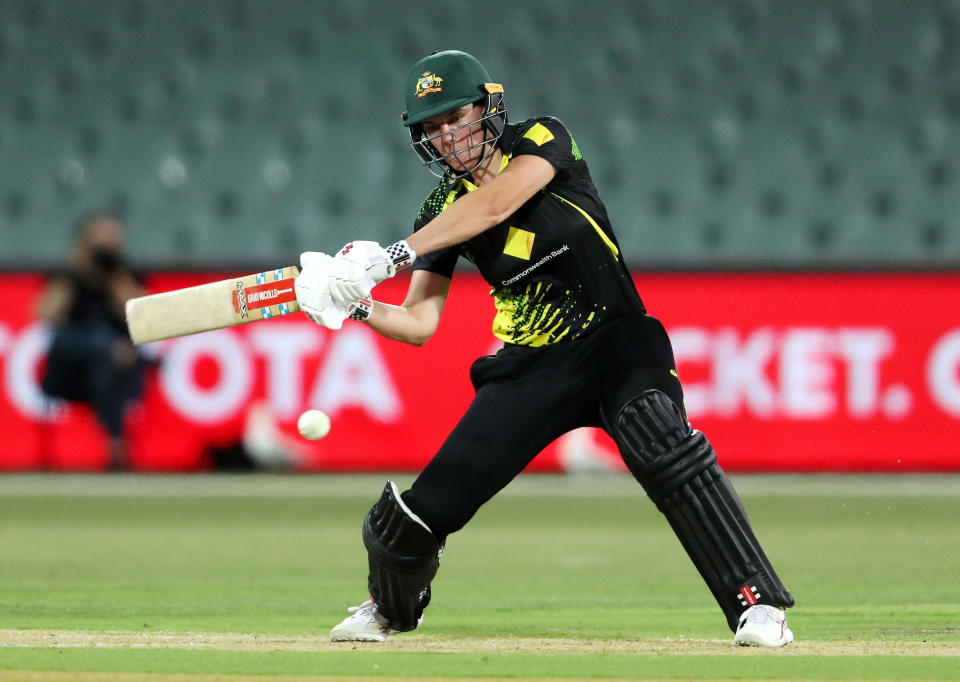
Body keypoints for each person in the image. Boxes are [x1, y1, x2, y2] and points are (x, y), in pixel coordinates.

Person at [294, 50, 795, 647]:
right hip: (530, 367)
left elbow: (497, 203)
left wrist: (391, 256)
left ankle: (758, 607)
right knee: (419, 512)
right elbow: (420, 322)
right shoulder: (437, 211)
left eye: (455, 117)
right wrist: (352, 303)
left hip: (615, 340)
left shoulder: (542, 138)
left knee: (662, 443)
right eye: (431, 127)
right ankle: (389, 608)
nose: (446, 135)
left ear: (487, 108)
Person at [36, 212, 146, 471]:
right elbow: (44, 314)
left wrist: (113, 277)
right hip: (70, 363)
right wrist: (76, 273)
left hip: (111, 367)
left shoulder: (125, 273)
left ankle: (116, 448)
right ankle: (116, 445)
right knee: (103, 347)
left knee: (107, 364)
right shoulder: (68, 275)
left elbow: (141, 314)